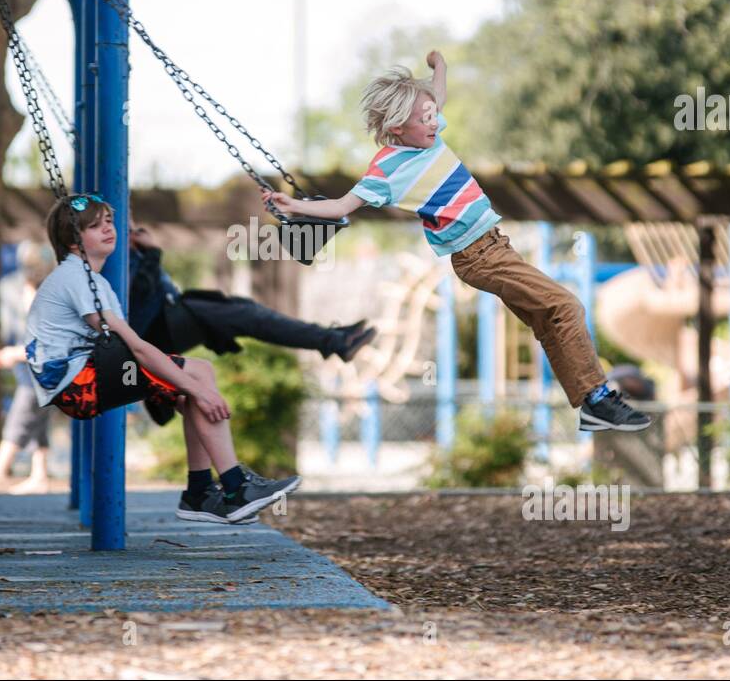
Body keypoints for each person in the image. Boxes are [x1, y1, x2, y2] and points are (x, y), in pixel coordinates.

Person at [261, 51, 652, 433]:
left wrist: (439, 68)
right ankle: (598, 398)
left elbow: (438, 96)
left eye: (433, 115)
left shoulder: (428, 136)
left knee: (549, 322)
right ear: (397, 127)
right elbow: (343, 206)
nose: (435, 123)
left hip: (497, 246)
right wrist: (291, 204)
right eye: (425, 119)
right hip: (477, 256)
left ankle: (588, 405)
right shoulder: (386, 171)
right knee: (567, 305)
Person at [25, 193, 301, 523]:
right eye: (94, 226)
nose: (108, 229)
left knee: (194, 383)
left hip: (78, 378)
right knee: (197, 377)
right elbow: (136, 348)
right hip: (76, 384)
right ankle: (232, 486)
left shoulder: (91, 280)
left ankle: (201, 492)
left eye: (109, 222)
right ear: (73, 241)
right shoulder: (78, 279)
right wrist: (198, 389)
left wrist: (190, 389)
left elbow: (130, 348)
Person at [127, 222, 375, 425]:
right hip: (156, 326)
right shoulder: (120, 254)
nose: (134, 229)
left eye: (132, 224)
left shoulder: (130, 248)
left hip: (173, 314)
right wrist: (152, 252)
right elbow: (139, 293)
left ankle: (331, 339)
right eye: (127, 226)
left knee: (248, 311)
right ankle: (333, 340)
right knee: (250, 316)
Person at [0, 250, 56, 492]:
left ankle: (1, 465)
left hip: (40, 371)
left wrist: (12, 354)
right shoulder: (25, 295)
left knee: (22, 414)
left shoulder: (50, 300)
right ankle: (40, 474)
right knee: (38, 421)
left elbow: (48, 345)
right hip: (33, 369)